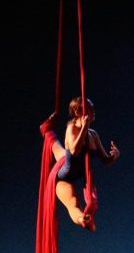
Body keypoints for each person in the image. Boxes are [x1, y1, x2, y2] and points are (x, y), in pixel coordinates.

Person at [39, 97, 120, 228]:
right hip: (63, 177)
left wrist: (114, 156)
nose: (94, 111)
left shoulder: (93, 134)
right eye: (90, 108)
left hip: (66, 161)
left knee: (56, 148)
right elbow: (74, 151)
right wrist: (84, 128)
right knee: (73, 202)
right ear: (77, 112)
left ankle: (46, 129)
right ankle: (82, 219)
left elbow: (105, 160)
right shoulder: (71, 129)